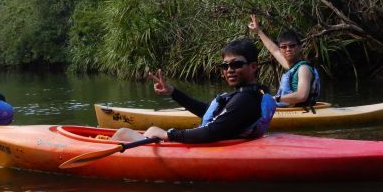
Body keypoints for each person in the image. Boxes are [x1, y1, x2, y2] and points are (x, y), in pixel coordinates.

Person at [111, 39, 275, 144]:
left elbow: (211, 132)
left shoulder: (245, 99)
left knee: (123, 133)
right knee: (147, 132)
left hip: (209, 149)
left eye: (236, 64)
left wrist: (169, 134)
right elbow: (209, 112)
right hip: (217, 144)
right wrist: (173, 92)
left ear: (253, 66)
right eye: (225, 66)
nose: (229, 70)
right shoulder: (250, 94)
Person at [248, 14, 321, 109]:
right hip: (290, 108)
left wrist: (275, 98)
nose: (288, 49)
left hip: (302, 110)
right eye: (284, 47)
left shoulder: (304, 69)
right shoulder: (291, 66)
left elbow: (302, 96)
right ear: (281, 49)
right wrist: (258, 31)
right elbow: (273, 49)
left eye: (292, 46)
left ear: (299, 47)